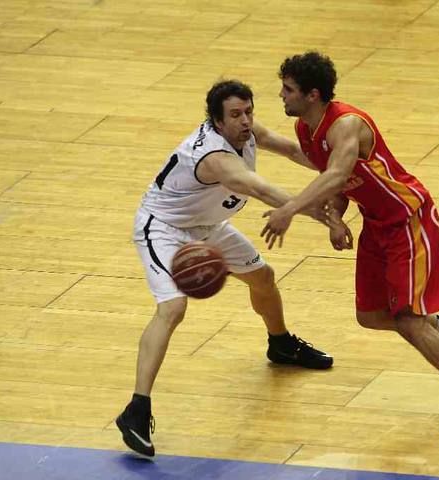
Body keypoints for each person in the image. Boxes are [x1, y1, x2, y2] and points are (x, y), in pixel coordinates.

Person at [261, 52, 439, 443]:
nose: (281, 95)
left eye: (288, 89)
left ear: (312, 94)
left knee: (409, 320)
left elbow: (341, 171)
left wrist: (289, 209)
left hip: (408, 221)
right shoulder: (306, 130)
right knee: (372, 314)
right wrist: (336, 217)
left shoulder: (346, 124)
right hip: (377, 225)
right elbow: (339, 183)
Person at [116, 79, 337, 458]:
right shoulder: (214, 158)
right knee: (172, 308)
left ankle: (281, 344)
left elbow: (292, 149)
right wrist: (324, 215)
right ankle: (137, 409)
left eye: (249, 111)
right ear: (217, 122)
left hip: (208, 226)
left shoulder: (250, 131)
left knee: (263, 278)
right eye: (236, 115)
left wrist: (337, 170)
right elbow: (265, 191)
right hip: (165, 228)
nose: (246, 121)